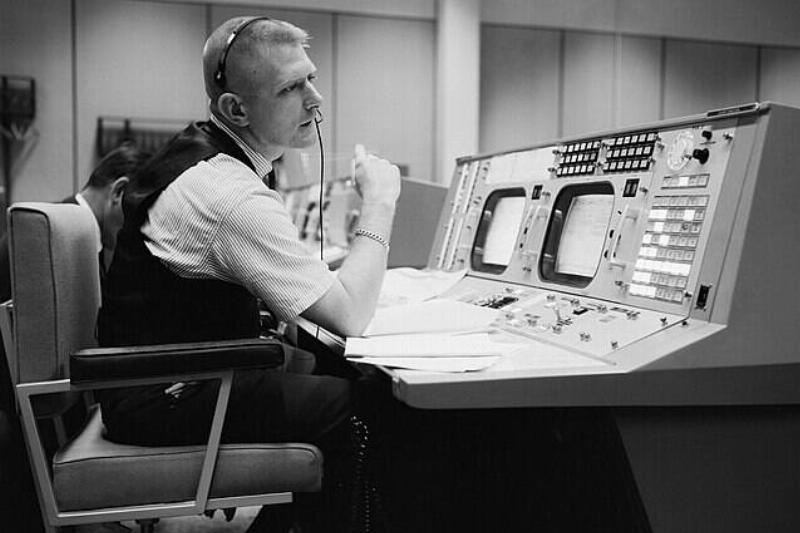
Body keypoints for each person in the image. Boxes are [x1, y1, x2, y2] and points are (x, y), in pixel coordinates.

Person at [96, 16, 400, 533]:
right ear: (235, 109)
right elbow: (350, 314)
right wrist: (381, 202)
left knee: (330, 370)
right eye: (290, 87)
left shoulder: (207, 163)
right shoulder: (227, 192)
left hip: (154, 379)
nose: (315, 99)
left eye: (311, 77)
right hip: (163, 395)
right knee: (373, 402)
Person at [0, 142, 151, 302]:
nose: (142, 228)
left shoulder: (72, 235)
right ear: (119, 191)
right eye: (143, 214)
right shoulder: (46, 235)